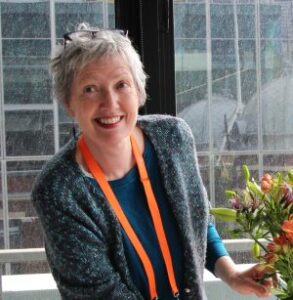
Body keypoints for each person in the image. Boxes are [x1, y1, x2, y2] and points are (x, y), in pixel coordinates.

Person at [32, 23, 274, 300]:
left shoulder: (173, 137)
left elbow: (197, 218)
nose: (110, 103)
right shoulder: (59, 189)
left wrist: (231, 273)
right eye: (90, 89)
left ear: (138, 90)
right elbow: (99, 293)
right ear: (68, 102)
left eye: (121, 84)